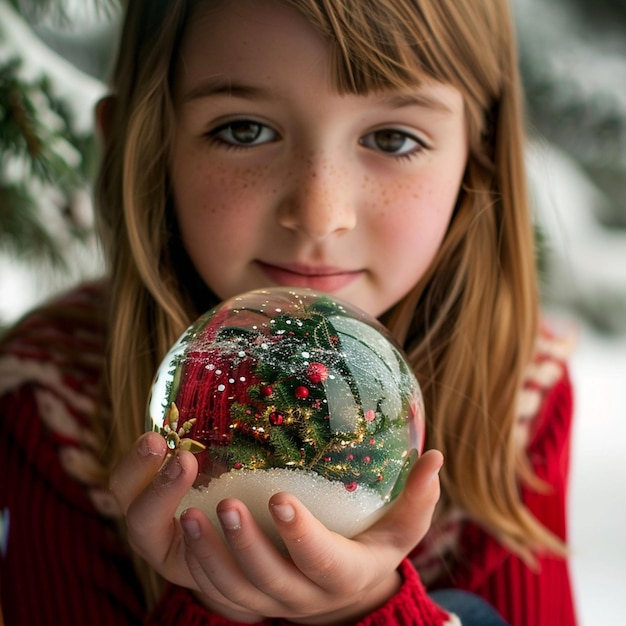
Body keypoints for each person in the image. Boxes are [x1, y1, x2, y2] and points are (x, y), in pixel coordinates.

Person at [0, 0, 578, 624]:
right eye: (243, 130)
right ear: (143, 146)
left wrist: (366, 610)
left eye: (392, 138)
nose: (319, 212)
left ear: (480, 155)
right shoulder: (56, 391)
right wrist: (220, 604)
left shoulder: (516, 391)